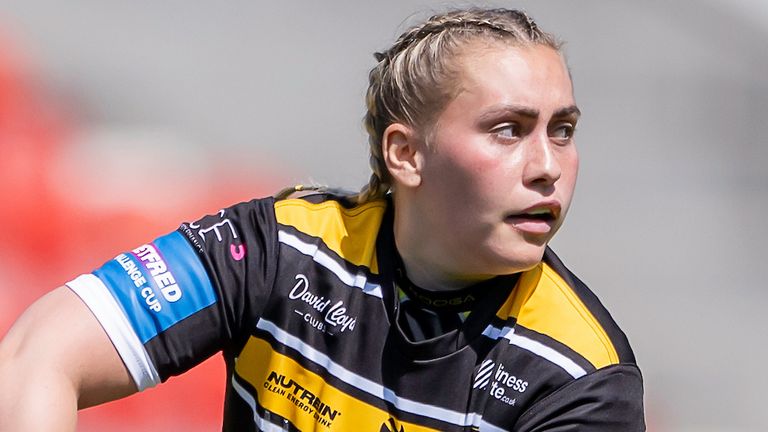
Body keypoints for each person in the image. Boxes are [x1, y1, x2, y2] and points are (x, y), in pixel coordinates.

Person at [0, 7, 645, 431]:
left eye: (562, 131)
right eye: (508, 130)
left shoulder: (581, 380)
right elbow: (39, 352)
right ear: (406, 154)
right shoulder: (280, 249)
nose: (548, 166)